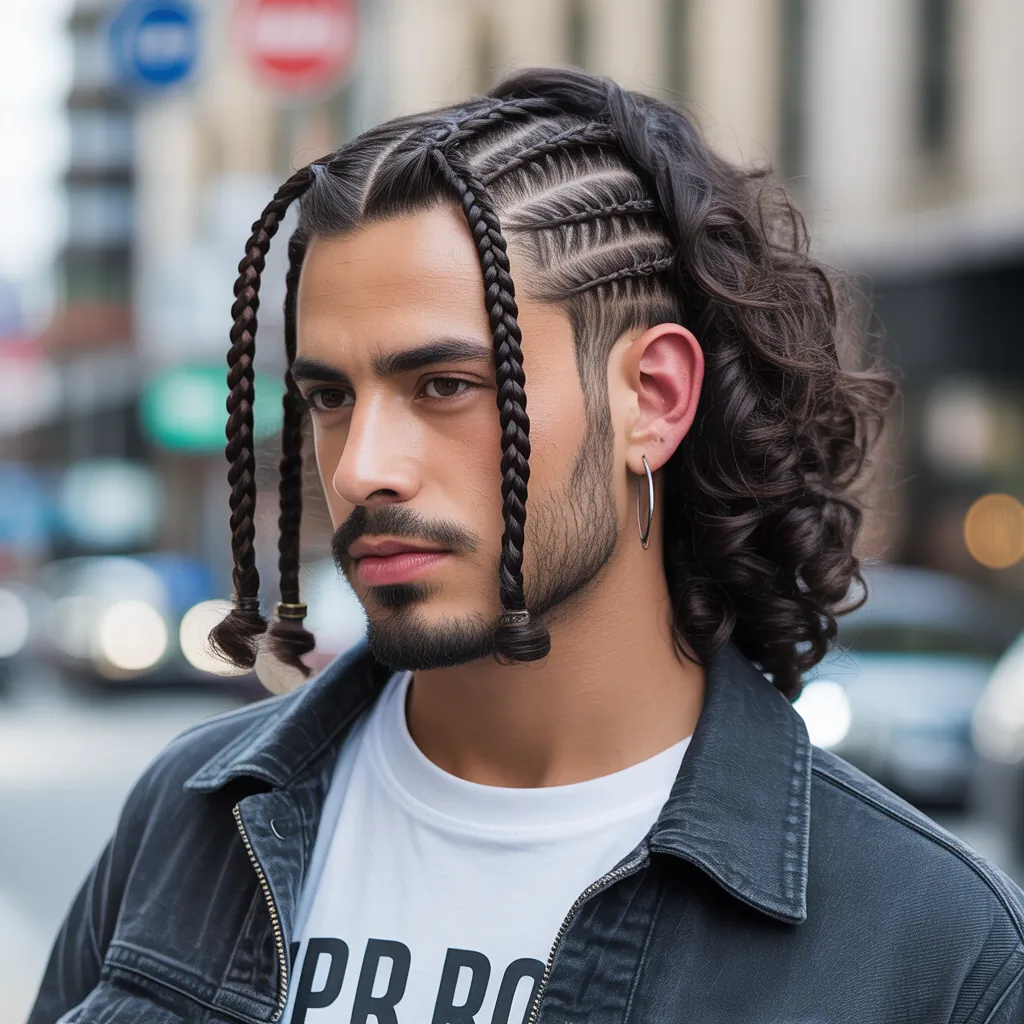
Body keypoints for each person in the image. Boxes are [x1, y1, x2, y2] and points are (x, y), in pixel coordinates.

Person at [29, 67, 1024, 1024]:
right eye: (331, 397)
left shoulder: (929, 946)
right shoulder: (191, 821)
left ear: (653, 400)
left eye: (444, 386)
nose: (360, 467)